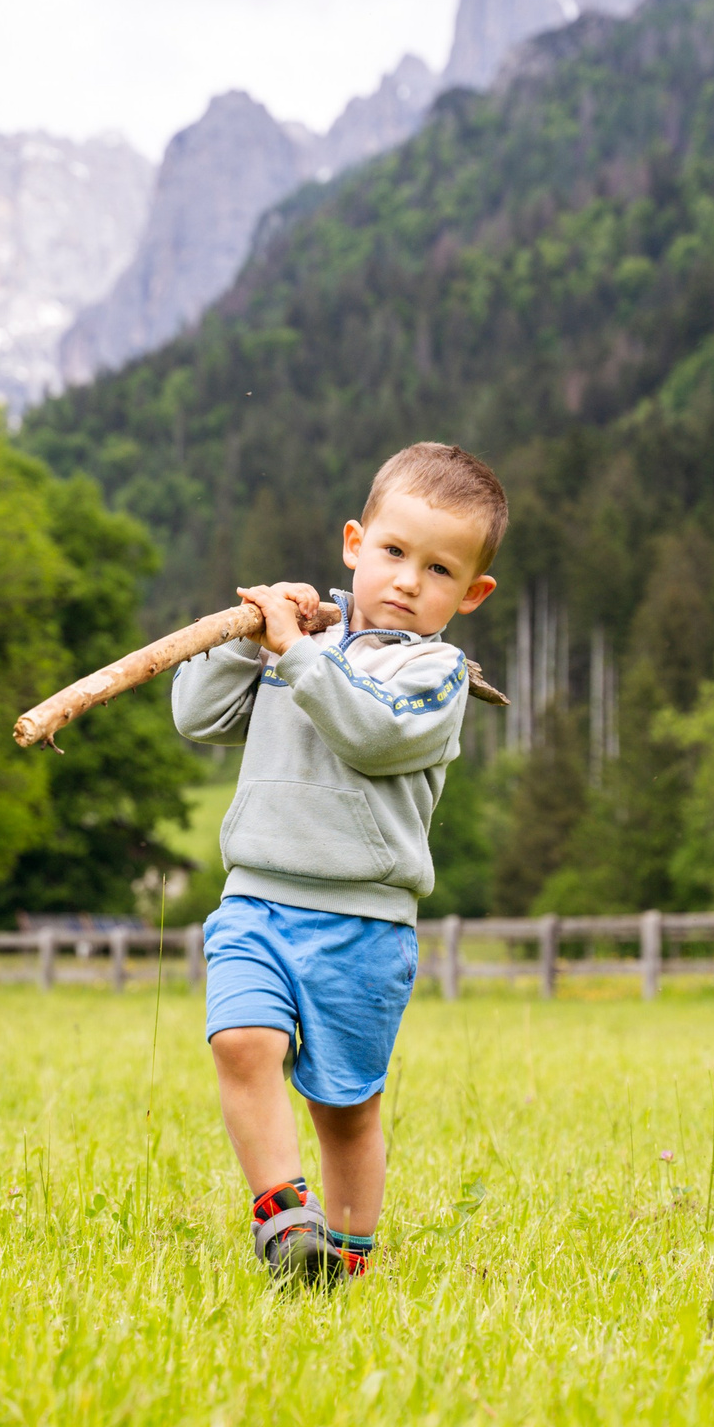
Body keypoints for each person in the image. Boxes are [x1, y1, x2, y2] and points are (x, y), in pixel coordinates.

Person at [172, 441, 505, 1286]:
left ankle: (346, 1263)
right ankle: (285, 1221)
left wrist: (298, 653)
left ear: (470, 595)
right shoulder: (302, 640)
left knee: (345, 1108)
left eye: (437, 570)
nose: (406, 580)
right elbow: (197, 717)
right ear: (355, 543)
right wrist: (249, 640)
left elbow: (368, 730)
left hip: (363, 922)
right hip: (255, 898)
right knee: (241, 1040)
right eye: (393, 552)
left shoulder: (436, 675)